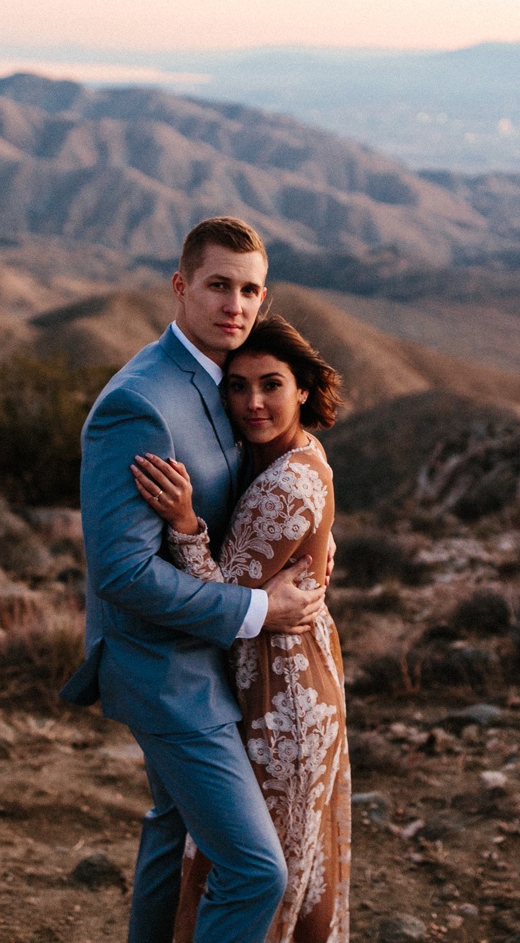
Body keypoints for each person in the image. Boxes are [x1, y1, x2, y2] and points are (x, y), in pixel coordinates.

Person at [59, 217, 328, 943]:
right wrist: (258, 609)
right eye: (217, 286)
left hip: (204, 657)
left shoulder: (224, 379)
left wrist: (311, 532)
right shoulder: (141, 403)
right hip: (165, 668)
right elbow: (123, 573)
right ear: (181, 286)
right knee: (256, 870)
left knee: (172, 826)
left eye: (250, 291)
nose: (234, 306)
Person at [131, 315, 350, 943]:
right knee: (259, 859)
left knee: (254, 874)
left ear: (303, 388)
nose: (253, 402)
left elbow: (221, 603)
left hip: (282, 695)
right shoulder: (296, 453)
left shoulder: (287, 481)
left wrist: (184, 524)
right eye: (237, 386)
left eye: (271, 384)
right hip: (281, 675)